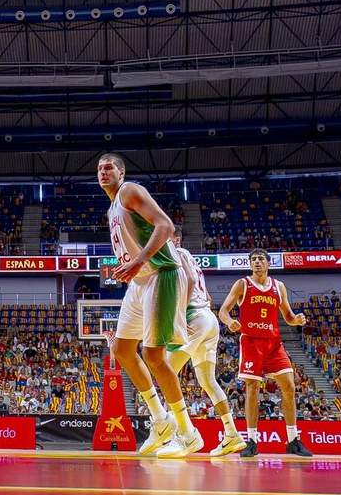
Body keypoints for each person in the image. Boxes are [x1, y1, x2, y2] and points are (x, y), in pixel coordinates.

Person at [96, 152, 197, 459]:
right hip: (139, 282)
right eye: (99, 169)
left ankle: (188, 433)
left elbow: (166, 226)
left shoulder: (129, 191)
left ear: (122, 172)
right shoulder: (112, 207)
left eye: (109, 167)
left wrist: (139, 260)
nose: (103, 172)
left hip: (160, 274)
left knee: (153, 355)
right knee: (122, 350)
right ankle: (160, 419)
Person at [218, 250, 313, 458]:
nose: (257, 262)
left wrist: (297, 320)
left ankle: (292, 440)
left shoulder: (278, 286)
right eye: (253, 260)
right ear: (250, 264)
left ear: (268, 263)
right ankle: (252, 441)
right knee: (252, 389)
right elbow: (223, 311)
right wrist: (229, 321)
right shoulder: (243, 284)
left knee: (289, 386)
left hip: (273, 343)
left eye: (261, 259)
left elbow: (288, 316)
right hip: (251, 342)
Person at [163, 228, 246, 457]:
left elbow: (189, 281)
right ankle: (232, 433)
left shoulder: (176, 252)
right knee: (208, 381)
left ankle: (183, 435)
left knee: (166, 373)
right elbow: (206, 294)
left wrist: (180, 315)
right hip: (208, 317)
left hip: (193, 317)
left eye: (165, 236)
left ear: (176, 239)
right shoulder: (190, 257)